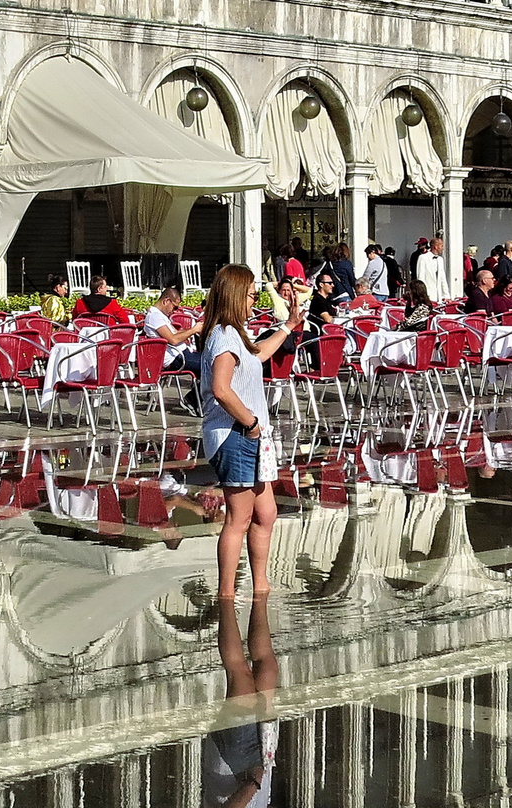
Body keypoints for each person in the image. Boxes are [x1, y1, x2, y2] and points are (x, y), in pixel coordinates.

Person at [197, 264, 300, 600]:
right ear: (236, 294)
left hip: (249, 434)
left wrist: (288, 326)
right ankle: (226, 594)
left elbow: (259, 354)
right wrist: (251, 423)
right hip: (235, 433)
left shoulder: (235, 333)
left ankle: (261, 585)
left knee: (265, 512)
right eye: (252, 293)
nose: (255, 299)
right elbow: (221, 388)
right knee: (238, 519)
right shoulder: (224, 335)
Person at [204, 597, 279, 808]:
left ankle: (225, 595)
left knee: (240, 675)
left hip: (235, 768)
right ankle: (260, 590)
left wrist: (254, 783)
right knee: (268, 668)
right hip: (262, 761)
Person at [143, 285, 202, 371]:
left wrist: (191, 331)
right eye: (175, 307)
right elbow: (173, 340)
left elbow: (175, 333)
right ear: (166, 301)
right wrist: (194, 330)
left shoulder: (160, 315)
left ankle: (202, 383)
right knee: (212, 363)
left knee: (211, 359)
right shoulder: (154, 316)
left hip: (181, 354)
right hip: (175, 358)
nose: (175, 311)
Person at [414, 237, 453, 303]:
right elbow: (420, 278)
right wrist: (424, 295)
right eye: (441, 246)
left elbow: (443, 278)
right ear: (435, 247)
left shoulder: (440, 259)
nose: (442, 248)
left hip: (439, 297)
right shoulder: (423, 258)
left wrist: (447, 296)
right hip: (428, 296)